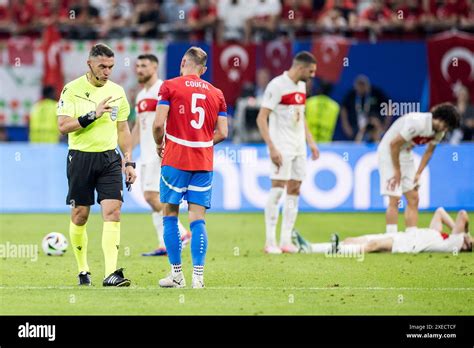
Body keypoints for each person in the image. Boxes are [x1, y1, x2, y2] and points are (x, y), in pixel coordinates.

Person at [57, 43, 136, 287]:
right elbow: (63, 126)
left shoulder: (118, 92)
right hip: (80, 157)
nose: (107, 71)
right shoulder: (71, 90)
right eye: (102, 66)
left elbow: (123, 128)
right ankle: (83, 270)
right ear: (89, 63)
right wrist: (93, 114)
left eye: (111, 66)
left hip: (109, 159)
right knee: (80, 215)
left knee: (113, 211)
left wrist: (129, 160)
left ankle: (111, 273)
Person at [153, 46, 228, 288]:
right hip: (203, 162)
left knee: (170, 215)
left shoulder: (170, 86)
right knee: (198, 219)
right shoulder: (217, 93)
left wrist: (159, 144)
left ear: (184, 61)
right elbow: (224, 133)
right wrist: (203, 143)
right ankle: (198, 278)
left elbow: (157, 124)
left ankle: (177, 275)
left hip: (175, 159)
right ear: (204, 69)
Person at [256, 51, 320, 254]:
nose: (312, 75)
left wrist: (311, 143)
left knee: (295, 189)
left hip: (298, 147)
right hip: (281, 146)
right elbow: (261, 118)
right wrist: (272, 147)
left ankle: (285, 240)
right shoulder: (276, 85)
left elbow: (302, 117)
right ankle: (269, 242)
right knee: (277, 190)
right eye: (310, 71)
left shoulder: (301, 86)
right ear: (300, 68)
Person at [131, 54, 190, 257]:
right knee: (152, 199)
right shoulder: (140, 96)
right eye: (137, 66)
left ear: (155, 67)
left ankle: (181, 233)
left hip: (161, 152)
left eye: (144, 66)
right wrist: (128, 152)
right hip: (146, 154)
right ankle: (164, 243)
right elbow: (139, 127)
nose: (139, 69)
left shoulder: (164, 89)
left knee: (152, 196)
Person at [377, 103, 460, 236]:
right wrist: (397, 171)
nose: (445, 129)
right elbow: (393, 144)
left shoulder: (439, 132)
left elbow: (429, 152)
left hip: (405, 152)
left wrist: (418, 173)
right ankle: (390, 237)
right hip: (389, 151)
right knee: (395, 197)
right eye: (445, 124)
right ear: (439, 117)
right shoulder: (417, 122)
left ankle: (412, 236)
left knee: (414, 197)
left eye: (448, 127)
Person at [293, 208, 472, 254]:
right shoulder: (441, 235)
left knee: (371, 245)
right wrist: (465, 233)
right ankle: (310, 246)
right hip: (403, 236)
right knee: (352, 239)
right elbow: (440, 211)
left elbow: (463, 215)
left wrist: (465, 235)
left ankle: (312, 249)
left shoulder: (453, 242)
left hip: (410, 244)